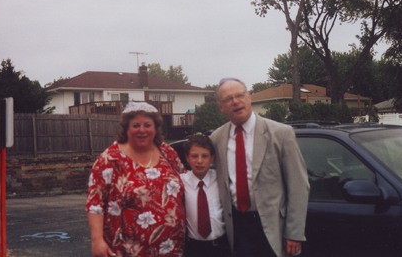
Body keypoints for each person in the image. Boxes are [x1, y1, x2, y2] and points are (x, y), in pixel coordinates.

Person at [210, 78, 310, 257]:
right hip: (237, 227)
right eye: (228, 99)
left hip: (272, 228)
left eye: (240, 95)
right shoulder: (217, 139)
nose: (235, 101)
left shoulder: (281, 133)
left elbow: (298, 186)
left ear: (249, 97)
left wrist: (294, 233)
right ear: (221, 107)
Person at [86, 102, 186, 257]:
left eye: (147, 125)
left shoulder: (167, 152)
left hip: (171, 247)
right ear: (126, 128)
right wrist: (97, 240)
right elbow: (95, 204)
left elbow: (186, 185)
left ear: (155, 128)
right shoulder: (110, 159)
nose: (142, 130)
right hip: (126, 249)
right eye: (135, 125)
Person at [180, 133, 230, 257]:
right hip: (193, 248)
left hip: (220, 246)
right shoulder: (181, 181)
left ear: (212, 157)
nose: (200, 161)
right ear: (187, 157)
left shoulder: (220, 179)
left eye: (205, 156)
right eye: (194, 156)